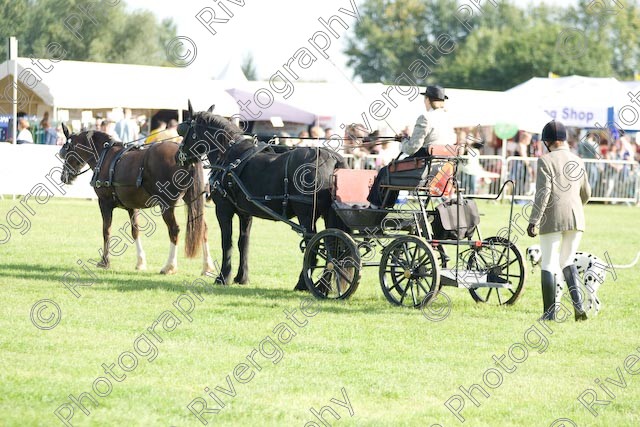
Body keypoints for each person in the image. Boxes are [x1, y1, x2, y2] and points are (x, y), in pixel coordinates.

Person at [527, 120, 591, 322]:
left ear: (547, 141)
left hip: (552, 216)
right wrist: (576, 207)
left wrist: (533, 220)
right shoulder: (578, 160)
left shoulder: (545, 160)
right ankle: (579, 308)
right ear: (564, 139)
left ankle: (549, 314)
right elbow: (587, 192)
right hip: (576, 217)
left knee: (548, 263)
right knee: (567, 260)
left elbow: (543, 193)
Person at [367, 85, 457, 208]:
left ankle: (375, 208)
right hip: (442, 170)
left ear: (427, 100)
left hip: (423, 170)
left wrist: (404, 142)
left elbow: (412, 148)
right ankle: (383, 206)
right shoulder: (448, 119)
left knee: (385, 172)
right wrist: (407, 140)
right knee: (391, 172)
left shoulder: (425, 117)